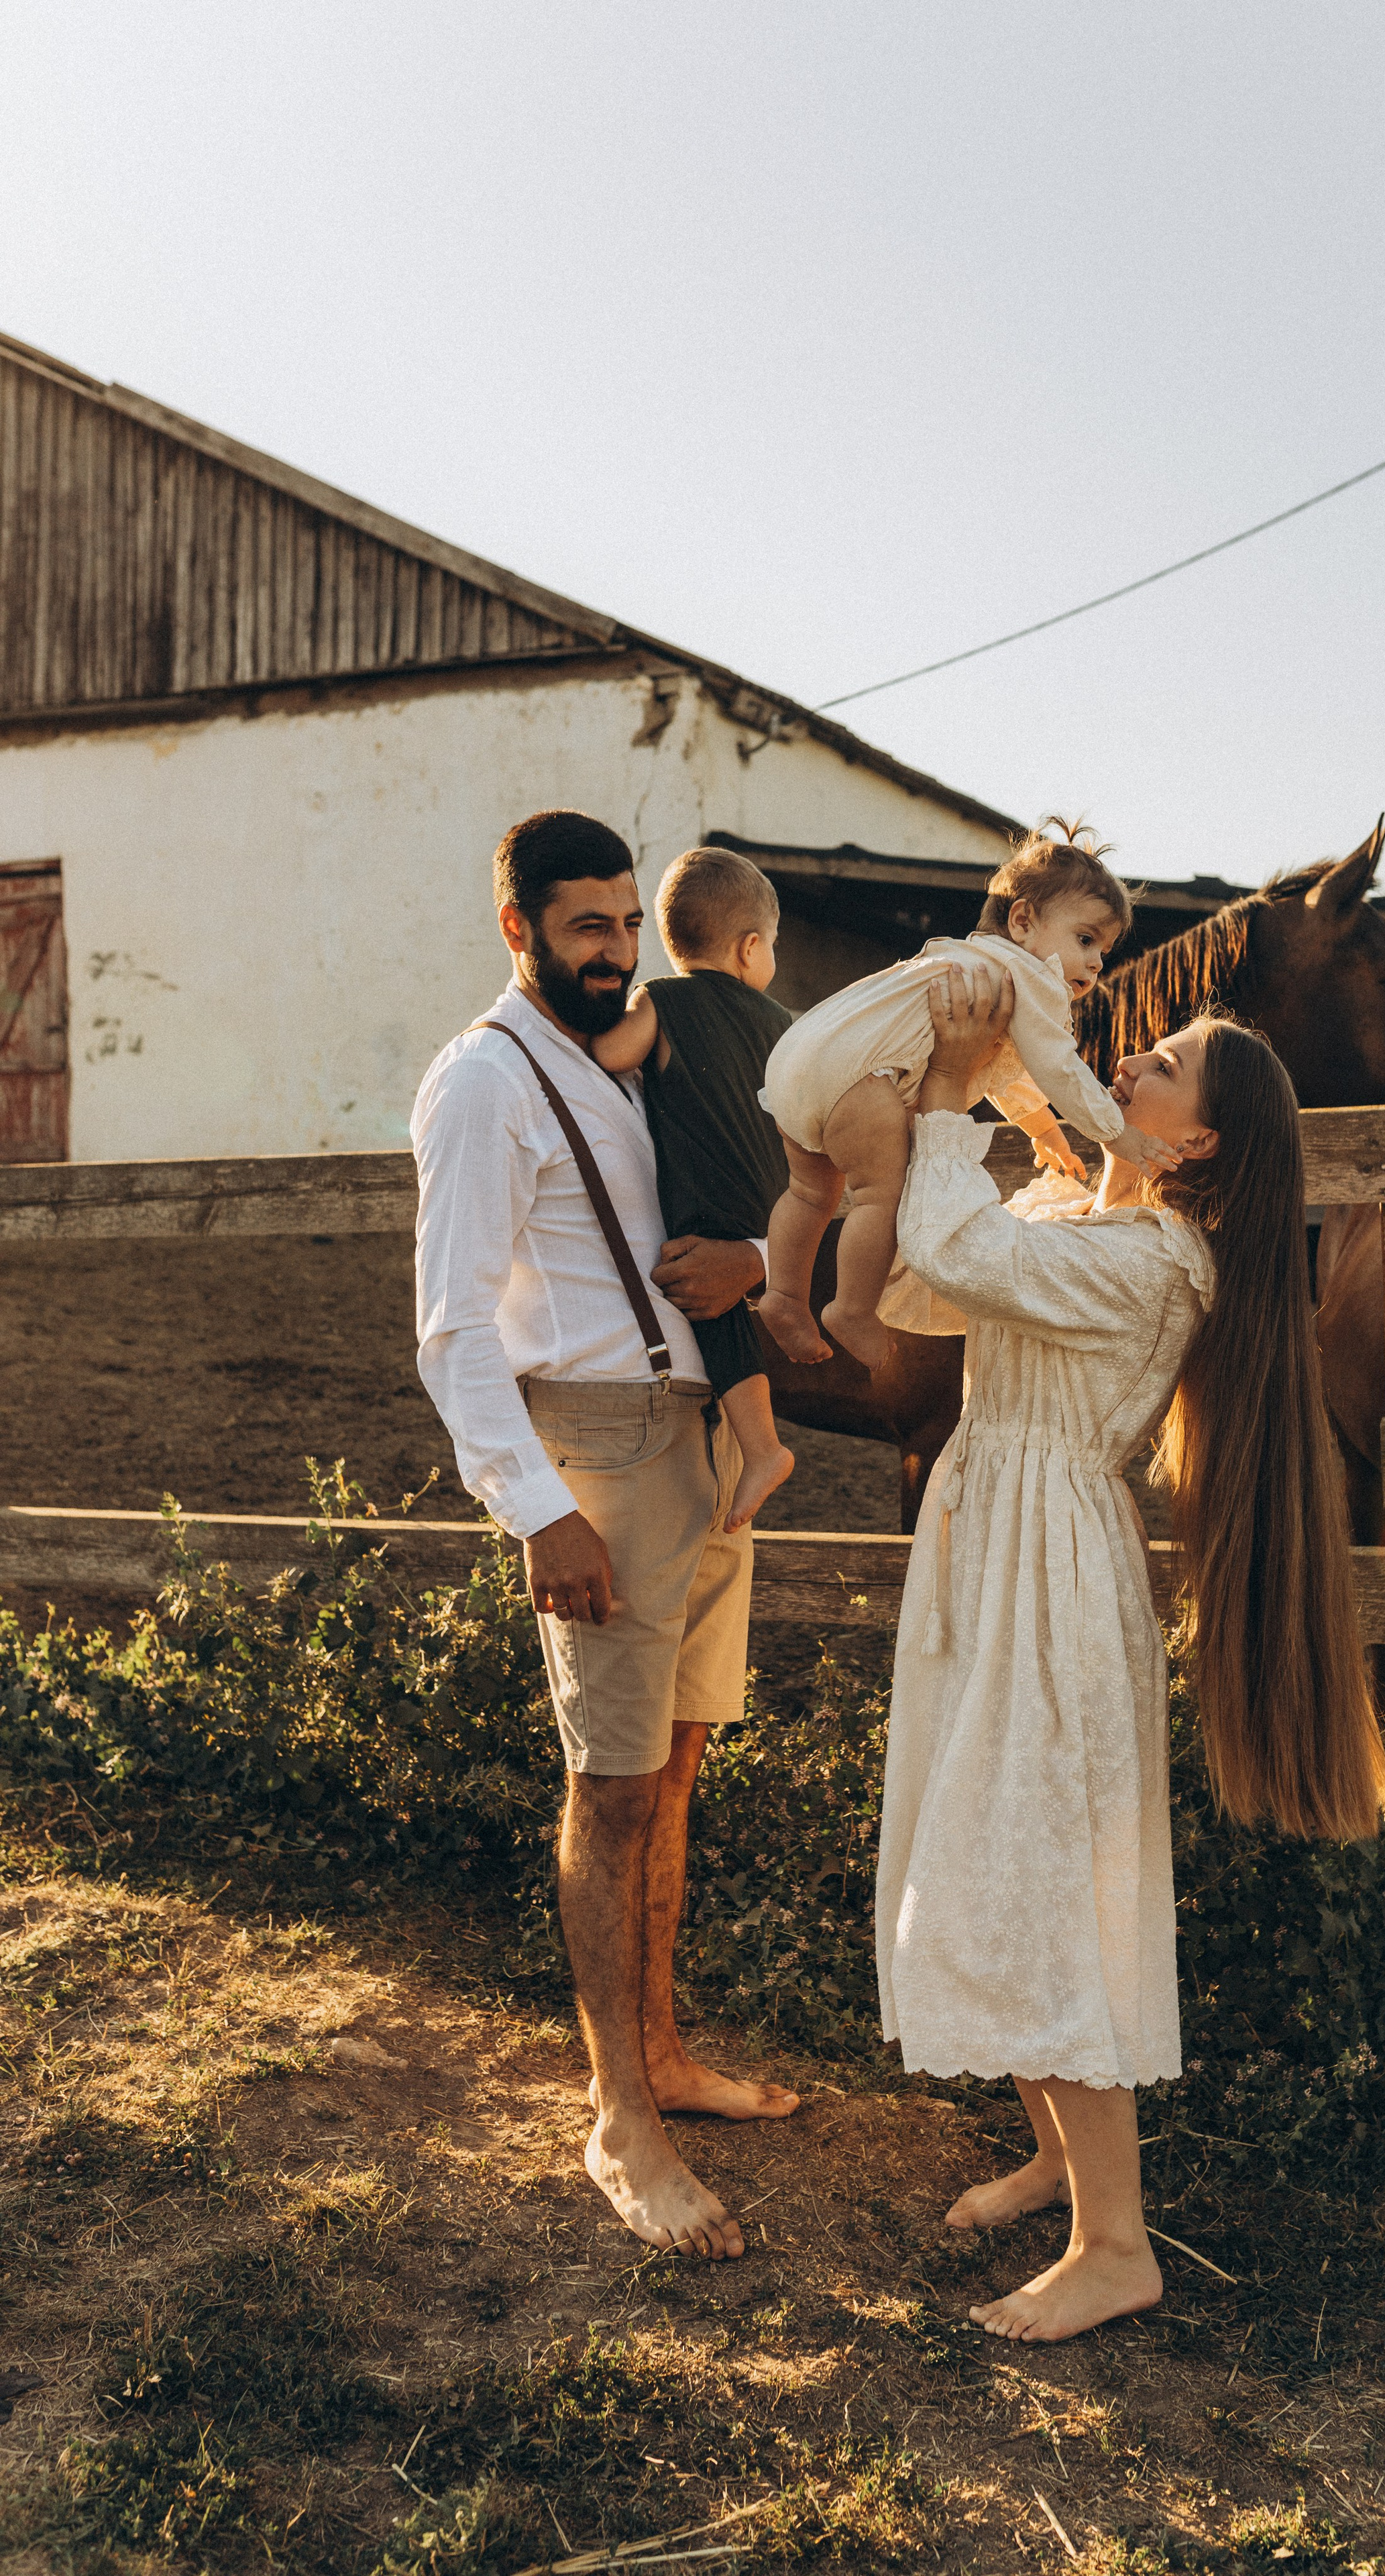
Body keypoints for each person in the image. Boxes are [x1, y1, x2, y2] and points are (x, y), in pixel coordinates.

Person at [875, 973, 1385, 2343]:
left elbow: (952, 1263)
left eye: (1155, 1064)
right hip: (988, 1536)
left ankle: (1115, 2246)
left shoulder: (1162, 1259)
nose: (1125, 1059)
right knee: (982, 1841)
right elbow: (916, 1297)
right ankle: (1058, 2164)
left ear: (1198, 1142)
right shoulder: (1082, 1218)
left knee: (1036, 1872)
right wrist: (1026, 1132)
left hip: (1049, 1566)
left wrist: (945, 1104)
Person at [412, 809, 799, 2264]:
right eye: (586, 928)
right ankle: (615, 2120)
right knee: (614, 1787)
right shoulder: (484, 1084)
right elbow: (451, 1330)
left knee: (678, 1767)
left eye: (629, 923)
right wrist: (538, 1506)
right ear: (517, 930)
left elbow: (717, 1212)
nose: (614, 951)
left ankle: (661, 2058)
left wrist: (761, 1260)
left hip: (693, 1441)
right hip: (595, 1457)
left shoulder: (630, 1056)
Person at [756, 820, 1155, 1372]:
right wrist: (1117, 1132)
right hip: (861, 1081)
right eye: (1086, 940)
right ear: (1023, 921)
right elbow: (1058, 1066)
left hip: (796, 1062)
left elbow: (1002, 1068)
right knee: (878, 1195)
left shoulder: (961, 959)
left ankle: (783, 1295)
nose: (1095, 963)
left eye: (1104, 951)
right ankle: (851, 1308)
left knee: (808, 1192)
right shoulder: (1028, 977)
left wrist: (1042, 1128)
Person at [592, 847, 795, 1533]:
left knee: (714, 1307)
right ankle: (759, 1448)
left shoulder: (664, 1000)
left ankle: (763, 1449)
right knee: (736, 1301)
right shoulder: (782, 1024)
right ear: (748, 948)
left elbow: (609, 1057)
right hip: (774, 1195)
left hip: (707, 1197)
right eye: (770, 945)